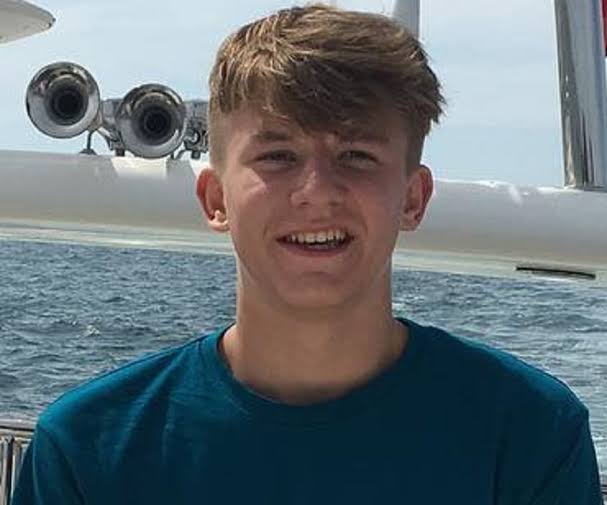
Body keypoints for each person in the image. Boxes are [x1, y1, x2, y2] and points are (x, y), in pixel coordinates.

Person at [12, 4, 604, 504]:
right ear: (215, 199)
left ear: (412, 198)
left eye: (356, 156)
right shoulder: (87, 450)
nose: (316, 191)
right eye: (277, 156)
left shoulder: (530, 438)